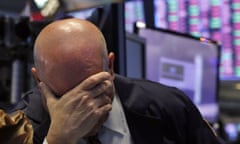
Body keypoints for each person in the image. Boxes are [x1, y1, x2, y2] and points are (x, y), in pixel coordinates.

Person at [13, 18, 225, 144]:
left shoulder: (170, 106)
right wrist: (57, 140)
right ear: (39, 81)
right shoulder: (18, 130)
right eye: (66, 97)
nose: (85, 108)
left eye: (93, 89)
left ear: (111, 67)